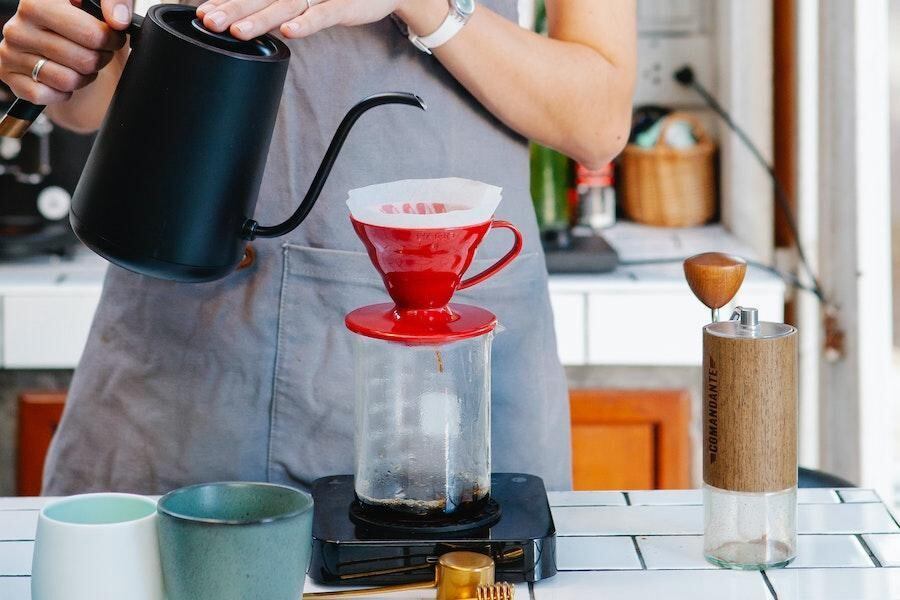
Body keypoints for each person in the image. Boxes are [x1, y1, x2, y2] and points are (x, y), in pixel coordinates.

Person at [0, 0, 635, 494]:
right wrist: (60, 53)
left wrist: (424, 7)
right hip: (183, 349)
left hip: (433, 361)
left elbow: (596, 119)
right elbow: (85, 106)